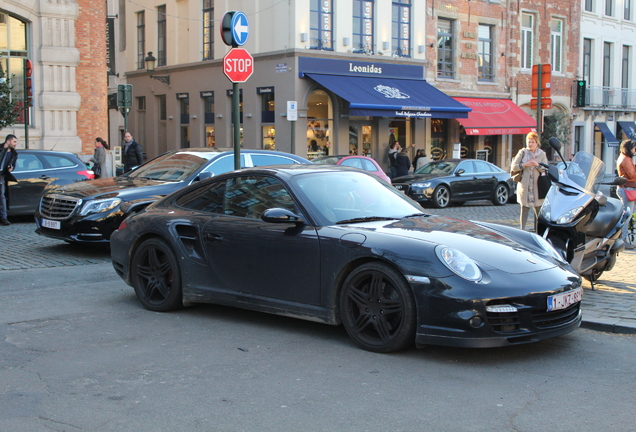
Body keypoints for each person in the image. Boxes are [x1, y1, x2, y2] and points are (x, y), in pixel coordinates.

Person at [511, 131, 548, 231]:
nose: (530, 144)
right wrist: (524, 164)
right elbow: (514, 167)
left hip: (537, 186)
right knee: (524, 209)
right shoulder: (522, 152)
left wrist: (537, 164)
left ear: (536, 143)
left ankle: (540, 231)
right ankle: (522, 230)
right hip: (525, 186)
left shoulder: (542, 154)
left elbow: (545, 169)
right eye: (529, 142)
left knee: (538, 211)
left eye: (532, 142)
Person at [616, 139, 636, 249]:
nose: (634, 150)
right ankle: (622, 239)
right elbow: (632, 175)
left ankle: (622, 238)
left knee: (625, 215)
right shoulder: (626, 159)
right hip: (627, 189)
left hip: (626, 188)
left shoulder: (624, 158)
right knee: (627, 215)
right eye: (633, 148)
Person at [0, 134, 19, 226]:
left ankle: (4, 217)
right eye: (14, 142)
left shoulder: (14, 153)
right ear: (8, 141)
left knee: (2, 197)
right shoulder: (1, 150)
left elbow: (13, 165)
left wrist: (11, 168)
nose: (16, 144)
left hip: (2, 176)